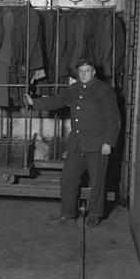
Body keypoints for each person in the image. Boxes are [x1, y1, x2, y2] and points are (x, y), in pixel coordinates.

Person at [25, 59, 120, 227]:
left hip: (97, 144)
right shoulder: (74, 88)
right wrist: (35, 102)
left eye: (87, 71)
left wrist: (108, 142)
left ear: (94, 72)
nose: (83, 74)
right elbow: (57, 100)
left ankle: (95, 214)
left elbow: (113, 120)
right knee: (68, 179)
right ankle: (68, 215)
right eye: (80, 71)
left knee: (97, 182)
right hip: (77, 144)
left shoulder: (104, 90)